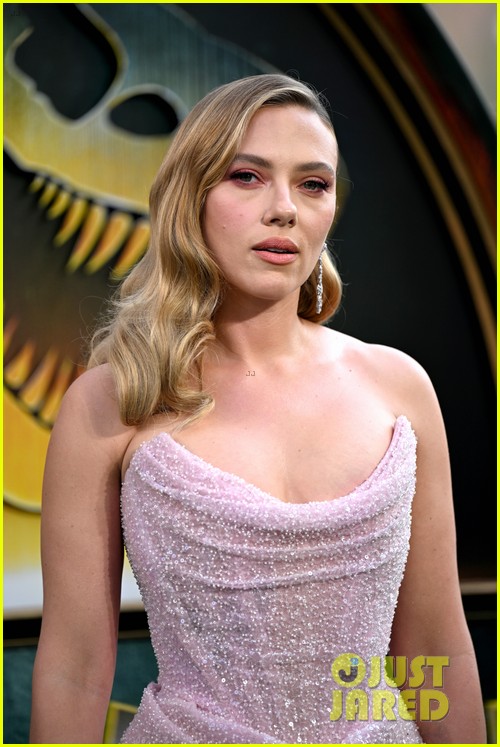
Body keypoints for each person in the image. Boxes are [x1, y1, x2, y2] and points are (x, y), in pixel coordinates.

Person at [30, 74, 486, 744]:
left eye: (313, 184)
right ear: (191, 195)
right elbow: (74, 668)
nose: (284, 209)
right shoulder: (113, 401)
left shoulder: (399, 388)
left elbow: (434, 643)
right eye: (247, 176)